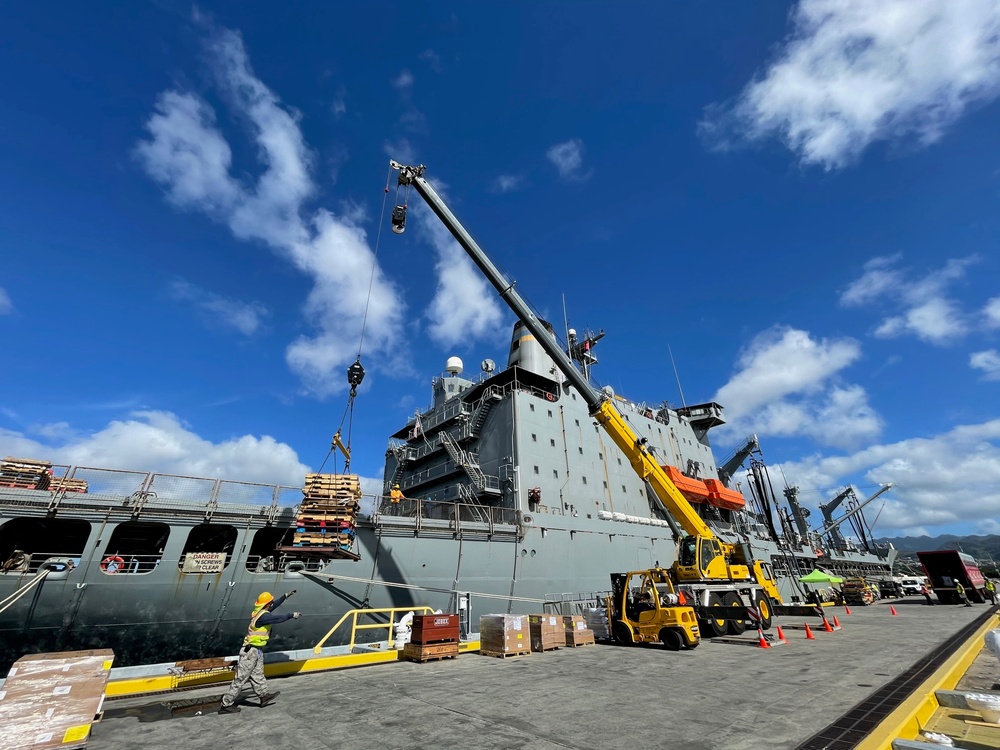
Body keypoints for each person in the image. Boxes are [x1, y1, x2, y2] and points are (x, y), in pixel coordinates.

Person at [219, 590, 300, 714]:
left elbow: (274, 605)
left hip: (256, 651)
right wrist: (291, 615)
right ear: (267, 604)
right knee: (240, 679)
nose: (272, 604)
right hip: (250, 651)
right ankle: (226, 704)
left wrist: (285, 596)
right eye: (270, 603)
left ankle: (263, 696)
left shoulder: (260, 612)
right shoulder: (264, 616)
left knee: (257, 675)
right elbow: (278, 618)